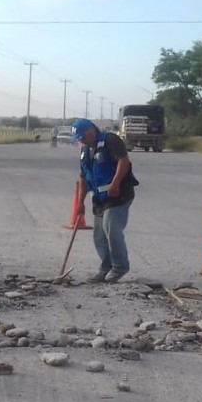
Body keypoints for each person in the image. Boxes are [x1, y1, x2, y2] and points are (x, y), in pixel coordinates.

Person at [72, 118, 139, 283]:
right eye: (79, 138)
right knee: (99, 237)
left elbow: (123, 162)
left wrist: (115, 184)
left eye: (83, 136)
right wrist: (80, 202)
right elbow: (83, 178)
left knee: (112, 229)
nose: (81, 140)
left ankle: (119, 267)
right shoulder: (85, 152)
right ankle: (105, 268)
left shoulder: (110, 140)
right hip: (100, 199)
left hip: (118, 195)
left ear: (91, 131)